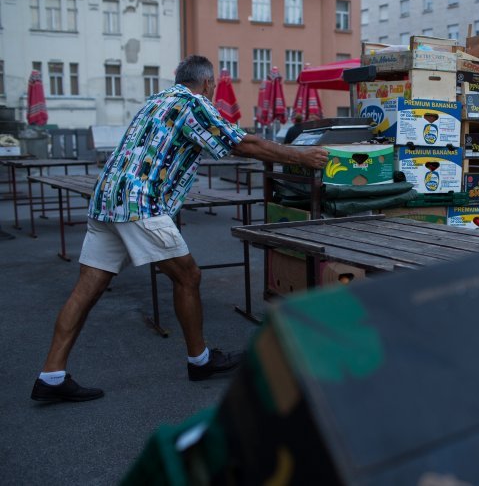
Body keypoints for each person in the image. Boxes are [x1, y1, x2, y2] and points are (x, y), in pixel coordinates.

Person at [31, 55, 328, 402]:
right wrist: (301, 156)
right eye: (213, 85)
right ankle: (200, 360)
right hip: (140, 202)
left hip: (107, 199)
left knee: (87, 289)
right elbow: (242, 143)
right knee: (188, 276)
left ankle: (51, 374)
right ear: (207, 83)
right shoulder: (193, 102)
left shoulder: (157, 100)